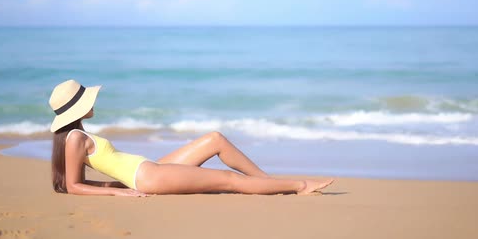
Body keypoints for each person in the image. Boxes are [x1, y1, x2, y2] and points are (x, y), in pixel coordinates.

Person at [50, 79, 334, 197]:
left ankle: (269, 183)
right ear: (79, 108)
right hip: (148, 178)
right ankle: (300, 186)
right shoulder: (75, 137)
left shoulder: (77, 136)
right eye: (88, 99)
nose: (93, 102)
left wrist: (116, 181)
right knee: (228, 180)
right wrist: (120, 191)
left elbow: (91, 174)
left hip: (149, 168)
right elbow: (74, 186)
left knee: (215, 139)